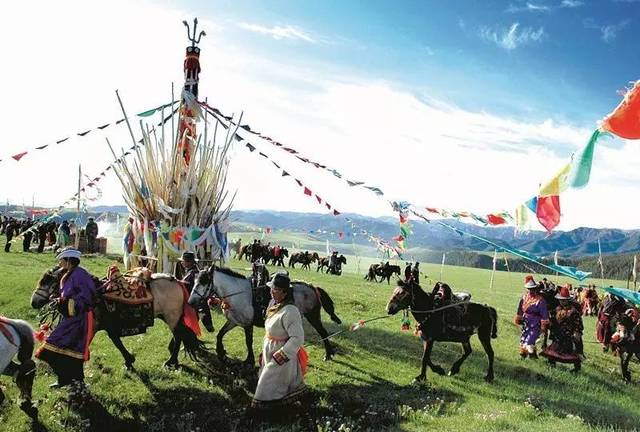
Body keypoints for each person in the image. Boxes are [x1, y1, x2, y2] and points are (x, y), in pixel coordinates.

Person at [250, 272, 314, 429]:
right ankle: (280, 413)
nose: (272, 291)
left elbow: (297, 338)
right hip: (270, 352)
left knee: (266, 386)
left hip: (281, 356)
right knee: (276, 386)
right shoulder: (275, 305)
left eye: (276, 289)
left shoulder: (290, 311)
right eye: (272, 288)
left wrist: (283, 354)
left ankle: (262, 416)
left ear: (285, 292)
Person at [35, 248, 96, 387]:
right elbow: (68, 295)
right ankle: (67, 380)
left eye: (61, 260)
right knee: (69, 350)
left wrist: (65, 302)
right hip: (71, 318)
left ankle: (71, 380)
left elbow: (87, 297)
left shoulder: (80, 275)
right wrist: (59, 299)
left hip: (79, 319)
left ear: (69, 261)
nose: (59, 262)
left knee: (51, 349)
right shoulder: (69, 273)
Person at [541, 286, 584, 371]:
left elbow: (579, 324)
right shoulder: (557, 309)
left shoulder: (573, 311)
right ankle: (551, 365)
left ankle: (577, 368)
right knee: (553, 350)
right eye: (560, 300)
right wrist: (549, 322)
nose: (562, 301)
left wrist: (577, 333)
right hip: (558, 334)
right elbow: (552, 319)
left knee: (573, 352)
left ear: (568, 300)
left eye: (563, 300)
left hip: (569, 335)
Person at [514, 275, 549, 359]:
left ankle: (523, 355)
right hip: (526, 322)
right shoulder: (524, 297)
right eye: (529, 289)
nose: (531, 290)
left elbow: (544, 313)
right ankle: (532, 357)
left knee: (530, 340)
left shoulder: (540, 300)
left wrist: (543, 325)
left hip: (536, 323)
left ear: (536, 288)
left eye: (533, 288)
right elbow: (520, 309)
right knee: (524, 338)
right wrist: (519, 318)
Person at [177, 252, 213, 333]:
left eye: (183, 261)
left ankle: (192, 342)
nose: (182, 262)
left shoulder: (195, 273)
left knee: (189, 325)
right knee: (188, 325)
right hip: (190, 302)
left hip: (194, 304)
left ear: (189, 262)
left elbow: (196, 288)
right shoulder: (190, 271)